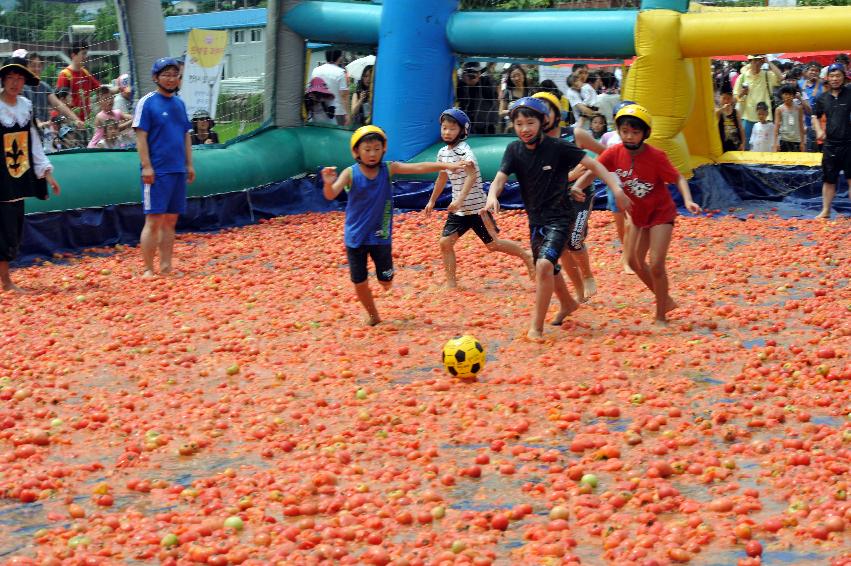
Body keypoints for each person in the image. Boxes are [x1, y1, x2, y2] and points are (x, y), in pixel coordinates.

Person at [484, 97, 626, 340]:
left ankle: (536, 328)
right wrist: (491, 196)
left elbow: (595, 164)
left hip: (561, 217)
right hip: (535, 221)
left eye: (530, 122)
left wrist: (616, 187)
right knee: (550, 267)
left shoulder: (558, 146)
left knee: (544, 265)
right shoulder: (514, 150)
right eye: (519, 124)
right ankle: (568, 303)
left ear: (542, 122)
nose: (525, 129)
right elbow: (500, 177)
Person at [321, 125, 468, 326]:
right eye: (367, 149)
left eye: (376, 148)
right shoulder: (350, 173)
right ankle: (373, 315)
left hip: (381, 236)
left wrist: (447, 166)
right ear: (356, 152)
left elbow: (418, 167)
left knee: (386, 282)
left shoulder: (388, 169)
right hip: (355, 238)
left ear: (383, 149)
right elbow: (331, 194)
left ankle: (384, 279)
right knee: (359, 281)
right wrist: (328, 183)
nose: (372, 154)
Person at [573, 104, 702, 326]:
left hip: (661, 214)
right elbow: (594, 169)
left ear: (645, 133)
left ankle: (661, 315)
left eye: (635, 132)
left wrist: (688, 199)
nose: (629, 136)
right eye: (625, 131)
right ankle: (666, 299)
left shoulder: (656, 156)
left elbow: (678, 178)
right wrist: (577, 186)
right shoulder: (614, 153)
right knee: (633, 262)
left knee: (656, 264)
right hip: (639, 216)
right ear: (618, 131)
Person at [423, 108, 534, 288]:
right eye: (444, 128)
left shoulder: (465, 151)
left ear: (462, 131)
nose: (446, 132)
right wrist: (432, 200)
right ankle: (452, 284)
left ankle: (527, 256)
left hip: (477, 208)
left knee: (494, 244)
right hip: (459, 211)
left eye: (451, 128)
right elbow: (442, 177)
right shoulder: (442, 152)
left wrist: (459, 199)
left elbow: (472, 176)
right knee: (445, 242)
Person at [532, 91, 605, 302]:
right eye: (538, 112)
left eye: (547, 111)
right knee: (561, 248)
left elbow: (606, 154)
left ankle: (588, 275)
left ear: (557, 113)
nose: (543, 117)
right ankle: (579, 289)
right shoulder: (533, 143)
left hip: (580, 195)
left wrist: (587, 174)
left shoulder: (576, 135)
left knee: (574, 241)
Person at [0, 59, 61, 292]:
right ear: (3, 81)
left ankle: (6, 279)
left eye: (20, 79)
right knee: (3, 225)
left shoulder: (25, 105)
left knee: (14, 223)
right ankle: (6, 282)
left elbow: (33, 141)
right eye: (11, 78)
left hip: (18, 172)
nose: (15, 83)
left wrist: (46, 173)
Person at [132, 57, 195, 278]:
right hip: (158, 172)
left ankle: (166, 267)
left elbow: (185, 135)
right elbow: (141, 136)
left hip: (177, 169)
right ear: (155, 77)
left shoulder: (179, 104)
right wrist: (146, 166)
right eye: (165, 75)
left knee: (171, 220)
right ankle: (148, 269)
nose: (170, 79)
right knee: (154, 220)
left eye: (174, 75)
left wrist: (189, 164)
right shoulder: (147, 102)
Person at [812, 62, 851, 219]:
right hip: (830, 145)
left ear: (844, 77)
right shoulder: (823, 98)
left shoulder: (850, 93)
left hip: (849, 144)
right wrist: (819, 130)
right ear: (827, 78)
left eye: (838, 76)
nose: (835, 79)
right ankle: (826, 210)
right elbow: (815, 116)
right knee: (829, 179)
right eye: (832, 76)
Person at [20, 53, 84, 143]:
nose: (37, 69)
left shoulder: (45, 87)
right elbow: (27, 112)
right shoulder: (21, 87)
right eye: (33, 66)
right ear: (26, 67)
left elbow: (58, 104)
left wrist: (76, 120)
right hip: (27, 134)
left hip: (43, 134)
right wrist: (38, 123)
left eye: (39, 66)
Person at [733, 54, 781, 150]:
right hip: (747, 118)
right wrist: (742, 93)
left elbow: (780, 77)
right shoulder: (742, 77)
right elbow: (734, 99)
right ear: (749, 61)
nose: (756, 63)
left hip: (765, 119)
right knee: (746, 148)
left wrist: (768, 62)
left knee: (765, 148)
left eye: (759, 60)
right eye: (754, 60)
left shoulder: (767, 75)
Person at [55, 42, 101, 123]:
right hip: (72, 123)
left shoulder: (85, 72)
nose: (85, 57)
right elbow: (60, 103)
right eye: (83, 54)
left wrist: (119, 88)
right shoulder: (65, 75)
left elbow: (100, 89)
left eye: (86, 54)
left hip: (87, 122)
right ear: (73, 55)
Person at [456, 62, 499, 134]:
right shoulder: (461, 83)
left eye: (474, 72)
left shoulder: (486, 81)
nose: (471, 75)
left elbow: (494, 96)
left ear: (480, 73)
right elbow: (459, 99)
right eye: (469, 72)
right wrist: (465, 83)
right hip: (467, 122)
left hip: (486, 124)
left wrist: (477, 83)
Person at [309, 50, 349, 126]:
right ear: (339, 58)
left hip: (318, 110)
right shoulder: (341, 72)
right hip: (337, 112)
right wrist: (347, 114)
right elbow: (344, 95)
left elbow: (311, 89)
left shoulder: (316, 70)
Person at [773, 84, 805, 153]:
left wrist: (802, 142)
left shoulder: (799, 108)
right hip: (784, 140)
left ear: (793, 96)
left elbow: (801, 125)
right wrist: (776, 143)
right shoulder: (779, 109)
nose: (788, 96)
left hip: (796, 140)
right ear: (782, 95)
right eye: (785, 94)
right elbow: (776, 127)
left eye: (790, 94)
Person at [799, 62, 823, 152]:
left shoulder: (823, 85)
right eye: (811, 70)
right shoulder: (800, 84)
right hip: (804, 123)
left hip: (818, 124)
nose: (814, 72)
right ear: (806, 71)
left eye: (816, 71)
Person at [498, 65, 529, 133]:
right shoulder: (507, 93)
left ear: (523, 75)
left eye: (519, 75)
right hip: (511, 128)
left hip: (527, 128)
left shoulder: (530, 92)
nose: (517, 78)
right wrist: (514, 110)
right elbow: (500, 112)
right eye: (513, 76)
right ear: (510, 78)